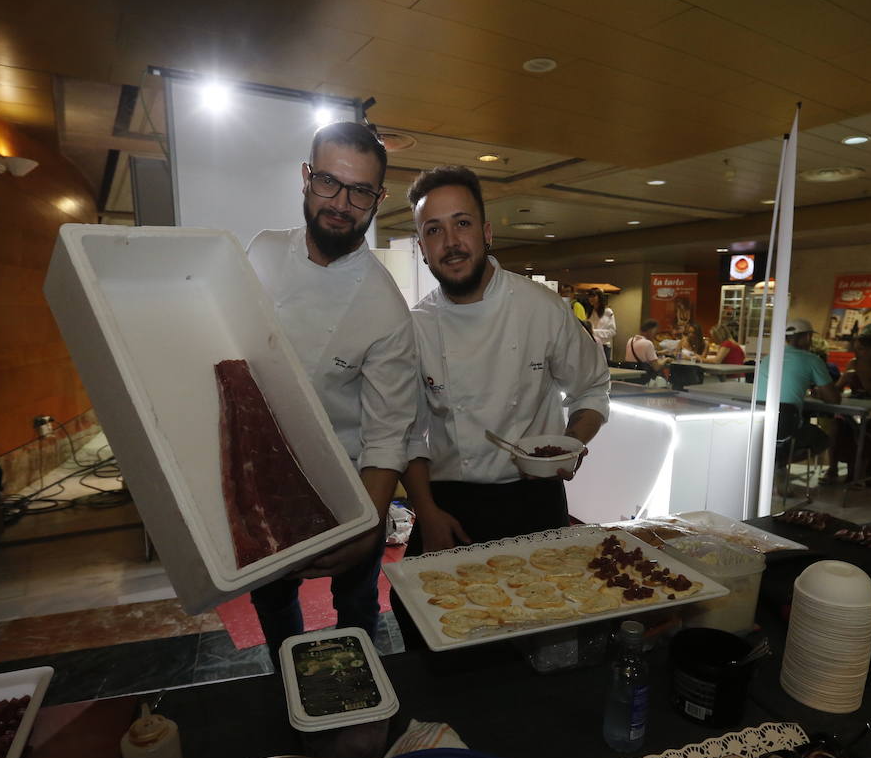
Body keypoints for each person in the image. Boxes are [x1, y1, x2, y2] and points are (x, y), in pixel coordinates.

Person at [244, 121, 420, 661]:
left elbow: (388, 432)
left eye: (360, 191)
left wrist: (368, 529)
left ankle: (360, 685)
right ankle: (289, 678)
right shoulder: (263, 253)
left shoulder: (384, 307)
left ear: (378, 198)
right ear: (306, 177)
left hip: (350, 483)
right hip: (267, 475)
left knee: (358, 602)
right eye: (328, 182)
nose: (342, 203)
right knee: (272, 600)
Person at [399, 164, 609, 562]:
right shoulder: (415, 326)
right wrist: (425, 511)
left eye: (462, 223)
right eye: (433, 230)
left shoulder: (541, 308)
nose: (451, 242)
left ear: (487, 233)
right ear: (422, 248)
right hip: (448, 501)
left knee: (545, 612)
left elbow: (592, 389)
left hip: (534, 496)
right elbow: (404, 431)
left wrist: (571, 443)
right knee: (420, 613)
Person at [754, 317, 841, 454]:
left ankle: (779, 466)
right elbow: (834, 399)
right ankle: (783, 462)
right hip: (787, 427)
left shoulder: (768, 358)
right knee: (824, 438)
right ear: (806, 337)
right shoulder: (813, 360)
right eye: (810, 336)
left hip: (759, 427)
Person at [823, 332, 871, 485]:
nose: (857, 353)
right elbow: (836, 390)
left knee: (865, 428)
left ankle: (857, 470)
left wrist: (860, 374)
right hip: (856, 409)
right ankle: (833, 467)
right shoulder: (853, 362)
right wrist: (843, 380)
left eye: (861, 349)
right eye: (856, 349)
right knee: (837, 425)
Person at [586, 289, 617, 362]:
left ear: (599, 297)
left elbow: (612, 331)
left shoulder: (608, 312)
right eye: (590, 296)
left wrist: (594, 332)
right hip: (592, 346)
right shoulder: (590, 312)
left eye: (593, 296)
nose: (591, 299)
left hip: (604, 346)